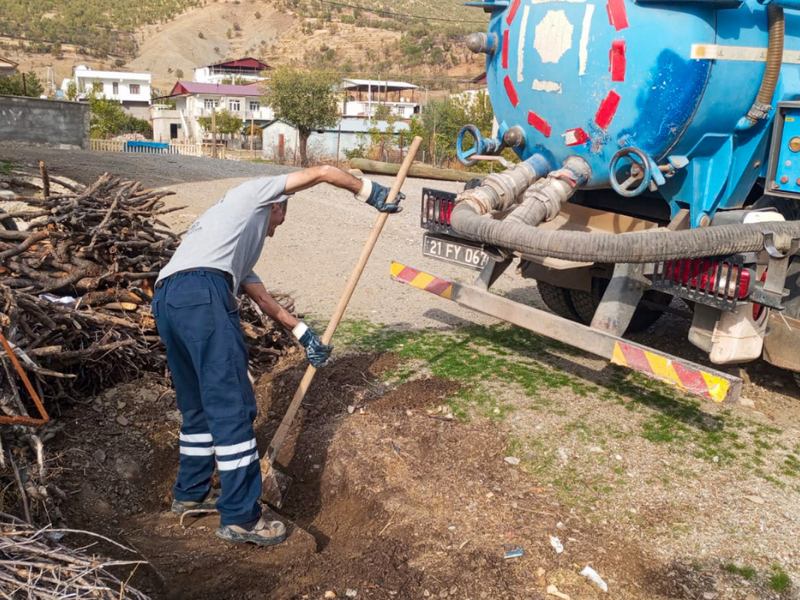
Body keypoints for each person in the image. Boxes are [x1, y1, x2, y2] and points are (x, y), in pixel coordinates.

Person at [152, 166, 403, 547]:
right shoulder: (253, 194)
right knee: (232, 408)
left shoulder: (225, 234)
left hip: (168, 299)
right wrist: (368, 191)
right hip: (203, 295)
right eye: (278, 220)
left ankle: (190, 492)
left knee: (199, 408)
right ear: (274, 205)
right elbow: (322, 172)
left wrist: (304, 335)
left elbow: (264, 298)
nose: (274, 230)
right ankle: (241, 517)